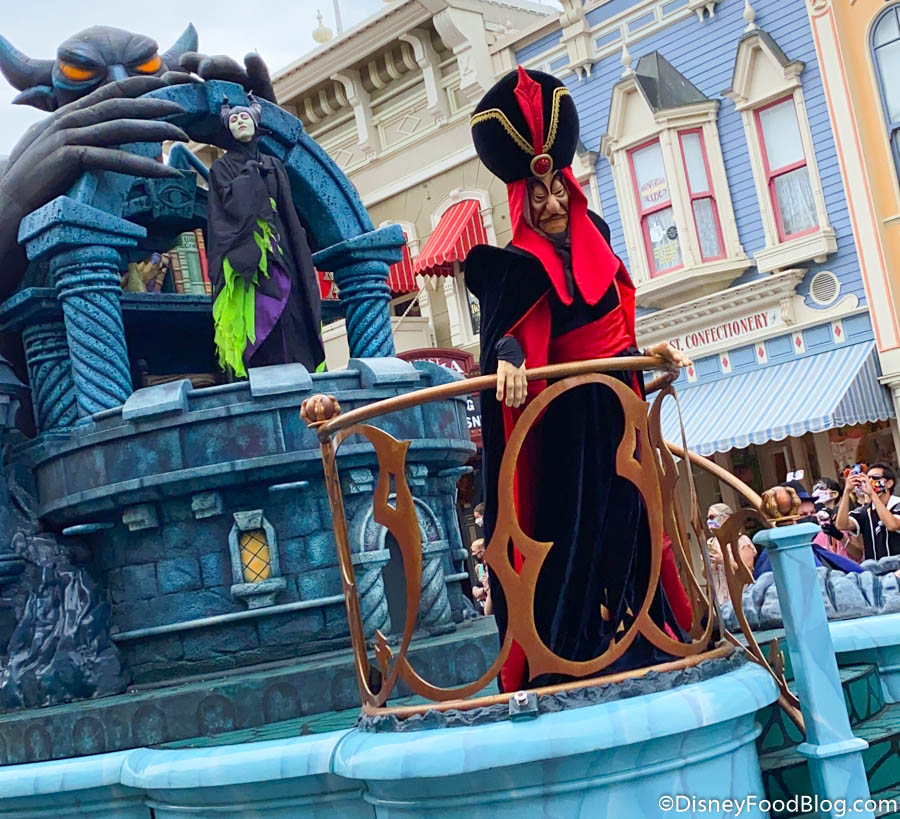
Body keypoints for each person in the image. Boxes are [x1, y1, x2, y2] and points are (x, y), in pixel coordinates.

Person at [465, 67, 691, 691]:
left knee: (637, 518)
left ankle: (654, 636)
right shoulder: (513, 266)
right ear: (523, 203)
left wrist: (650, 356)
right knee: (574, 529)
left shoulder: (602, 243)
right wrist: (510, 358)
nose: (553, 204)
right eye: (538, 196)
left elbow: (619, 324)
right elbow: (507, 332)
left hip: (621, 403)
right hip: (569, 423)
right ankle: (572, 654)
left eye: (558, 189)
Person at [208, 100, 325, 378]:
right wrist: (250, 175)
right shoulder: (221, 169)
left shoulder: (274, 164)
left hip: (282, 250)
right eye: (233, 119)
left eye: (244, 116)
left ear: (255, 122)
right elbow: (224, 212)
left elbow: (288, 212)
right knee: (261, 317)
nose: (240, 121)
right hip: (249, 259)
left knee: (293, 314)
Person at [835, 463, 900, 561]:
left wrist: (872, 494)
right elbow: (841, 525)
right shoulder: (865, 511)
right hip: (874, 568)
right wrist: (847, 490)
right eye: (868, 478)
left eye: (875, 478)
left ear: (889, 483)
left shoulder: (897, 504)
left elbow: (892, 525)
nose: (869, 481)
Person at [704, 504, 756, 607]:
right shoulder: (711, 543)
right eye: (708, 518)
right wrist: (707, 562)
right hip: (719, 601)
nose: (709, 522)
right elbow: (706, 575)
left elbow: (747, 569)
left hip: (741, 598)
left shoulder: (742, 541)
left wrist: (723, 560)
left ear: (726, 518)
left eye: (712, 517)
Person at [811, 477, 856, 561]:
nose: (817, 491)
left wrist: (840, 537)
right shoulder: (813, 520)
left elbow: (858, 554)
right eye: (815, 488)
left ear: (834, 494)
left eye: (821, 488)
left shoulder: (846, 517)